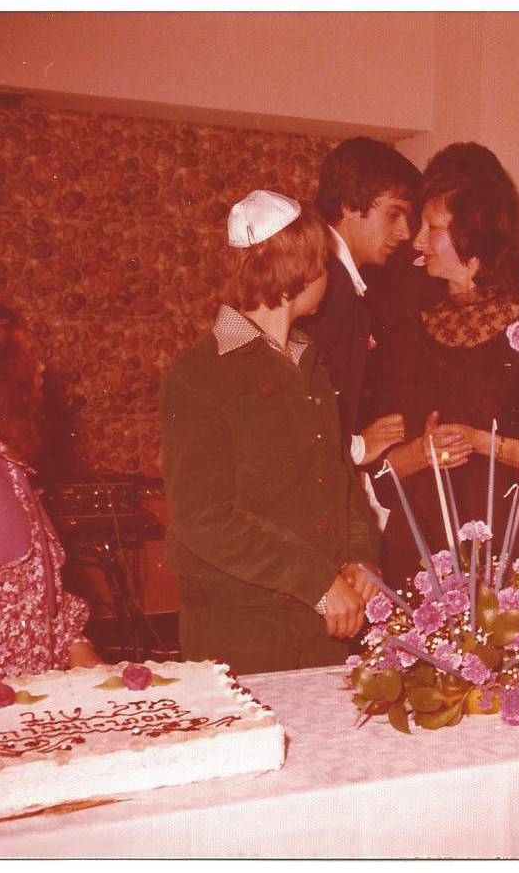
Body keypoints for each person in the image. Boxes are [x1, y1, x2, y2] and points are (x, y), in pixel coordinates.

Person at [160, 190, 381, 676]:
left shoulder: (309, 364)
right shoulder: (200, 375)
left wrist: (361, 557)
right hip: (243, 630)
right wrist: (318, 581)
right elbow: (203, 519)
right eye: (324, 262)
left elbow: (340, 479)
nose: (328, 274)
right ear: (299, 270)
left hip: (325, 621)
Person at [370, 142, 519, 588]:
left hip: (517, 553)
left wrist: (485, 443)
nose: (417, 241)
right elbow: (380, 475)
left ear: (473, 238)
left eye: (432, 227)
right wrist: (419, 453)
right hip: (422, 555)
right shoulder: (405, 334)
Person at [0, 304, 103, 683]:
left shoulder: (8, 470)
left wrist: (103, 678)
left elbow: (49, 612)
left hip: (27, 706)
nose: (41, 368)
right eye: (28, 358)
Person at [302, 137, 422, 481]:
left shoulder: (340, 282)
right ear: (348, 206)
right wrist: (355, 446)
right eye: (394, 214)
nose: (406, 232)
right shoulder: (326, 287)